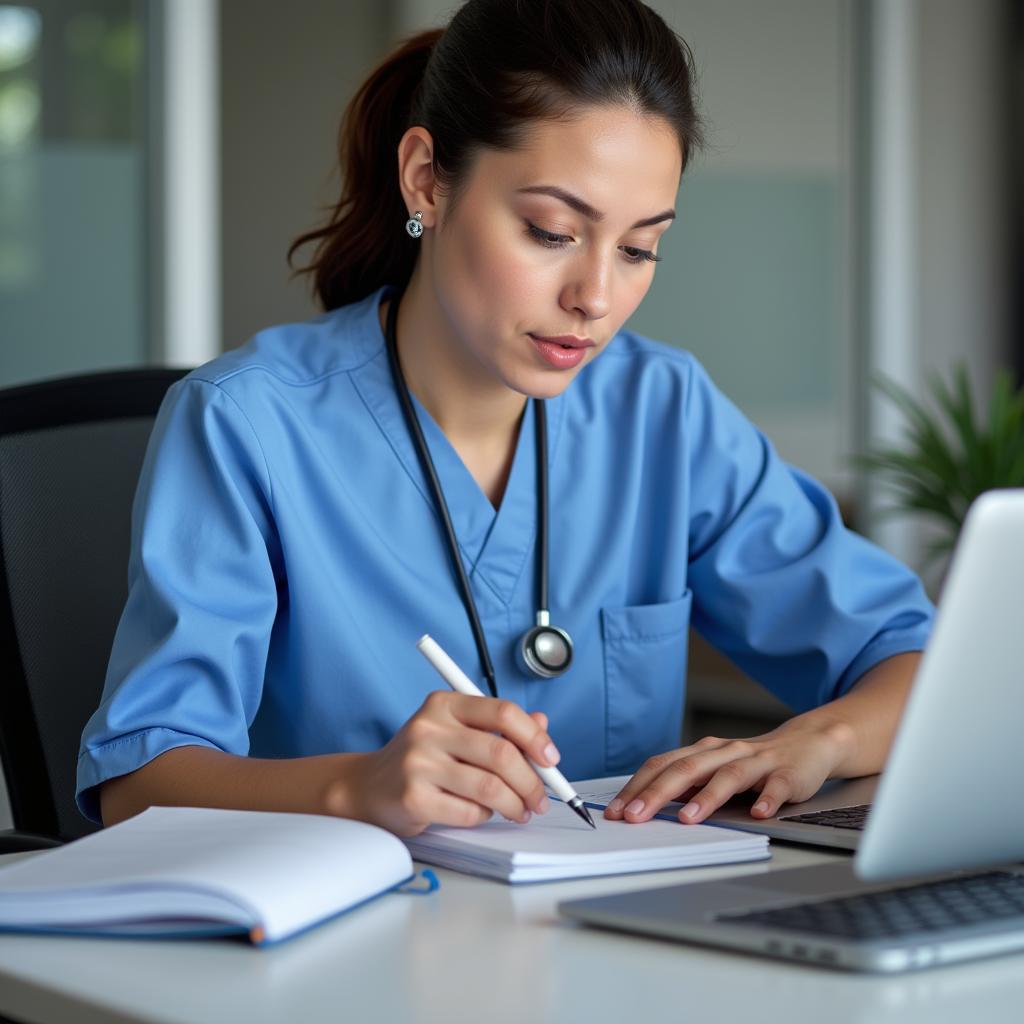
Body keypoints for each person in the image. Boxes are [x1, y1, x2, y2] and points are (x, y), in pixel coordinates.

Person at [79, 0, 933, 838]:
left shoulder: (662, 411)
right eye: (551, 230)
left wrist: (820, 738)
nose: (596, 298)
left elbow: (916, 660)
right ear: (427, 181)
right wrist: (357, 786)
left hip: (624, 939)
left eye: (640, 249)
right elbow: (138, 786)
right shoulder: (248, 424)